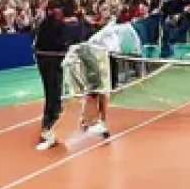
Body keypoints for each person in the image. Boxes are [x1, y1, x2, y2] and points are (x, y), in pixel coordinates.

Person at [62, 13, 158, 141]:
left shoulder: (111, 30)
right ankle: (89, 121)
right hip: (92, 61)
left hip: (105, 60)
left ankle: (99, 121)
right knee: (93, 93)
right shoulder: (92, 33)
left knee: (102, 94)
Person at [33, 0, 89, 151]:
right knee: (52, 92)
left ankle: (52, 122)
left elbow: (78, 34)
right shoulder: (51, 23)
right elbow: (73, 34)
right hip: (47, 60)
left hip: (53, 59)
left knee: (55, 92)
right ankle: (48, 128)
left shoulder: (60, 22)